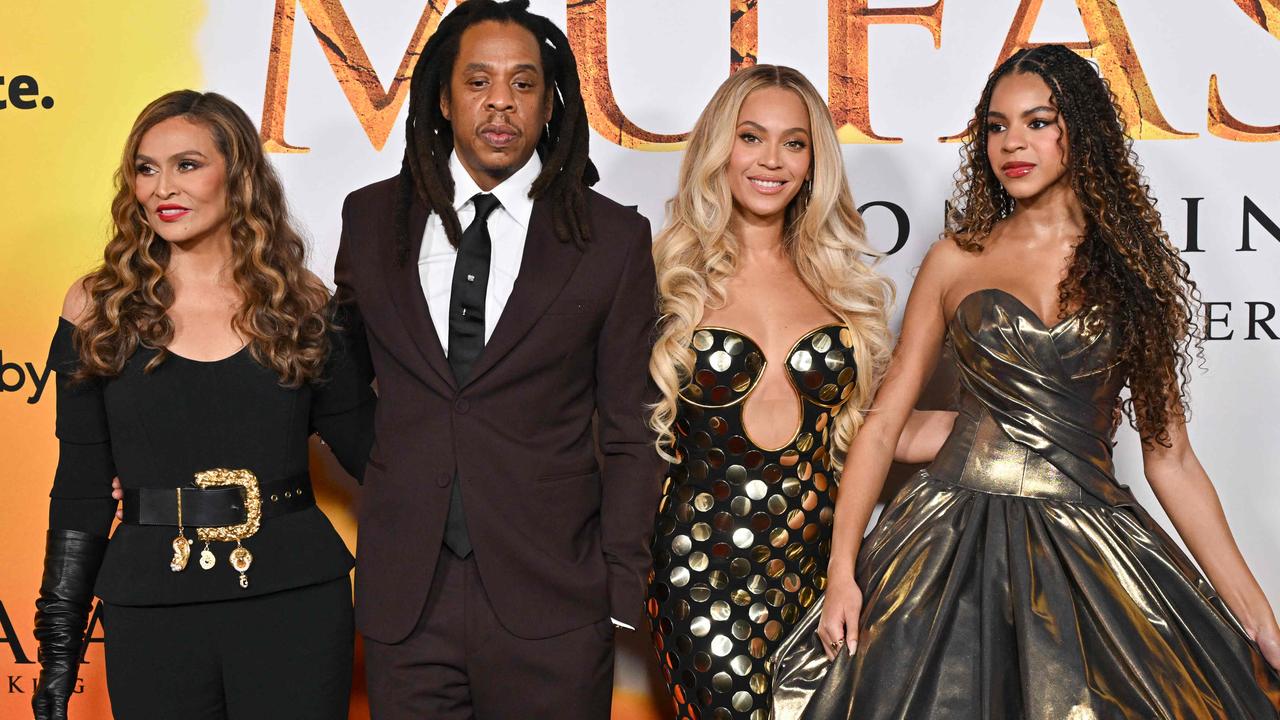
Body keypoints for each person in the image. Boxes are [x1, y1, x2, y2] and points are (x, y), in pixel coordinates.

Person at [772, 44, 1280, 719]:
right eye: (997, 125)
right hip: (948, 543)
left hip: (1088, 548)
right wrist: (843, 573)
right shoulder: (955, 260)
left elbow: (1171, 458)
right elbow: (885, 424)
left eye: (1038, 122)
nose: (1013, 143)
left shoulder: (1134, 275)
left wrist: (1260, 617)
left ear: (1083, 131)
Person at [332, 1, 662, 717]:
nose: (500, 104)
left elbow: (634, 427)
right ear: (443, 100)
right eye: (478, 82)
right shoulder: (368, 218)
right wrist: (410, 468)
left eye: (522, 84)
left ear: (551, 103)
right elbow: (344, 388)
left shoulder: (610, 240)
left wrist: (618, 585)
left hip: (556, 597)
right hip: (407, 599)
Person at [31, 90, 375, 720]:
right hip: (152, 606)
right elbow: (80, 488)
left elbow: (375, 456)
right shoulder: (96, 309)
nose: (164, 186)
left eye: (187, 164)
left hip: (294, 599)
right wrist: (58, 653)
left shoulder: (301, 305)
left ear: (237, 175)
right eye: (146, 167)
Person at [645, 64, 955, 720]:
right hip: (701, 578)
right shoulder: (668, 280)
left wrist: (1012, 430)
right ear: (718, 149)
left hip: (822, 579)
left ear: (815, 162)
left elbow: (876, 431)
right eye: (751, 137)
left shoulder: (837, 285)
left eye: (794, 142)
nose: (772, 160)